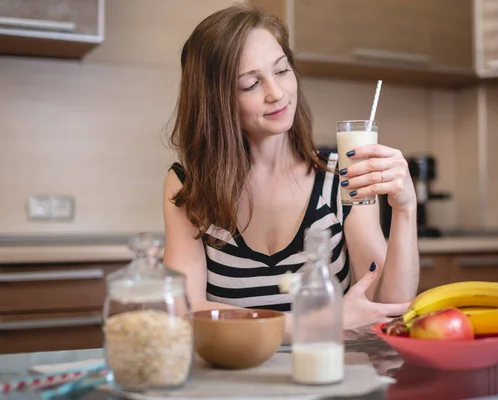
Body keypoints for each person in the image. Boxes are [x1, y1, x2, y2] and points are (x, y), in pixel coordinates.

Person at [162, 4, 420, 339]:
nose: (277, 93)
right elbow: (183, 311)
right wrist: (317, 323)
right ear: (216, 100)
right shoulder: (188, 186)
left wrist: (404, 209)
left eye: (281, 70)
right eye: (251, 84)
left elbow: (389, 305)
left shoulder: (339, 176)